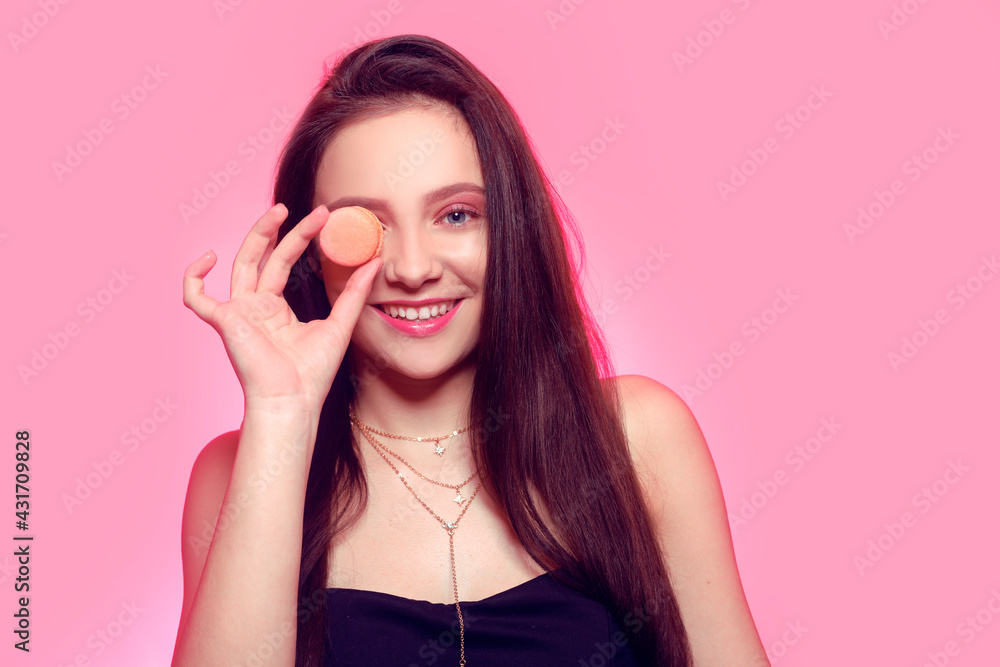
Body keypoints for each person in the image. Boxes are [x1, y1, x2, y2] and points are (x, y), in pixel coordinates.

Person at [172, 34, 768, 667]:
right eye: (365, 228)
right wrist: (283, 414)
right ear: (312, 255)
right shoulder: (237, 472)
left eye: (456, 215)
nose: (412, 268)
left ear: (510, 224)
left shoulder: (638, 437)